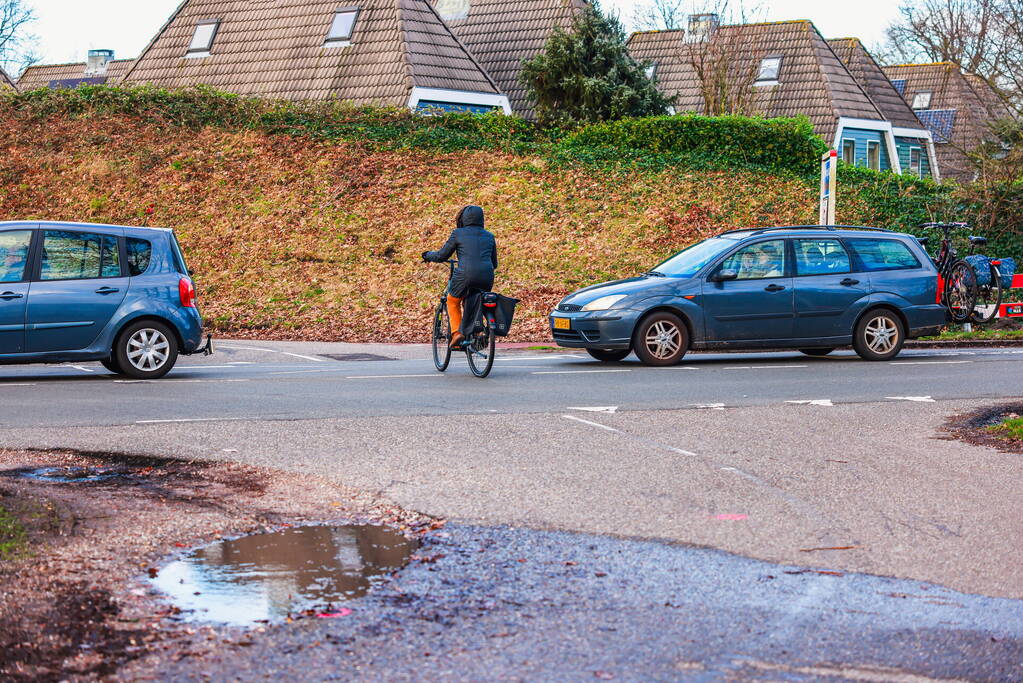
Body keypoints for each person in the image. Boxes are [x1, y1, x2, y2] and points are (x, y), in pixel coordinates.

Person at [422, 205, 498, 349]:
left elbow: (441, 255)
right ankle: (478, 332)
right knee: (474, 299)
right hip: (487, 276)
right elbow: (494, 263)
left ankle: (457, 333)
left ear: (463, 219)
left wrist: (427, 255)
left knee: (452, 300)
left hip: (465, 275)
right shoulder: (489, 236)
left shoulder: (458, 233)